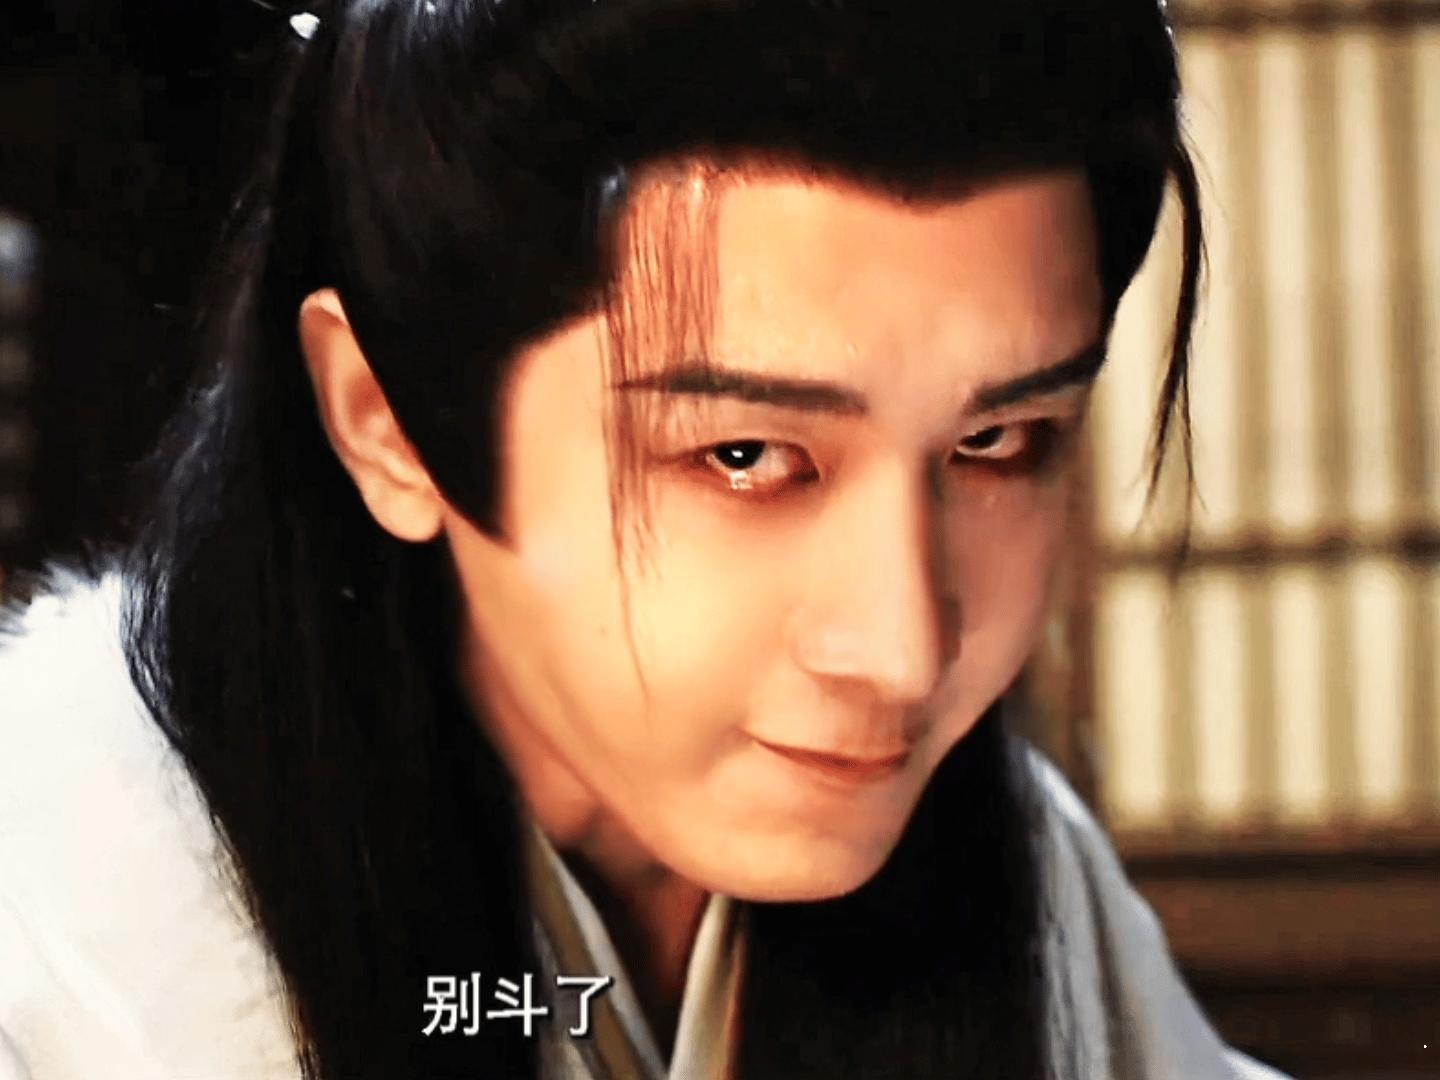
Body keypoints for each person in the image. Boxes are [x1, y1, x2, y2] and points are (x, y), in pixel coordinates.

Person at [0, 1, 1292, 1077]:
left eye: (997, 441)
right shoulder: (68, 890)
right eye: (745, 456)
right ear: (385, 418)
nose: (905, 650)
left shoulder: (1003, 856)